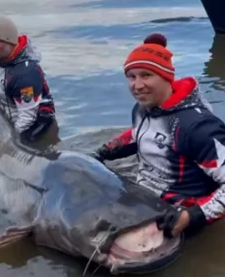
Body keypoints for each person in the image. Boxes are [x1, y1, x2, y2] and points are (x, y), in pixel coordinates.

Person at [91, 33, 225, 239]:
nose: (137, 86)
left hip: (181, 211)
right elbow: (140, 134)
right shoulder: (143, 107)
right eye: (132, 76)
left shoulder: (197, 126)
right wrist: (102, 152)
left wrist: (193, 216)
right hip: (146, 196)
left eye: (146, 75)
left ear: (167, 78)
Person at [0, 15, 58, 145]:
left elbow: (27, 118)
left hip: (36, 125)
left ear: (10, 42)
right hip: (7, 114)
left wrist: (6, 140)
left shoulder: (26, 75)